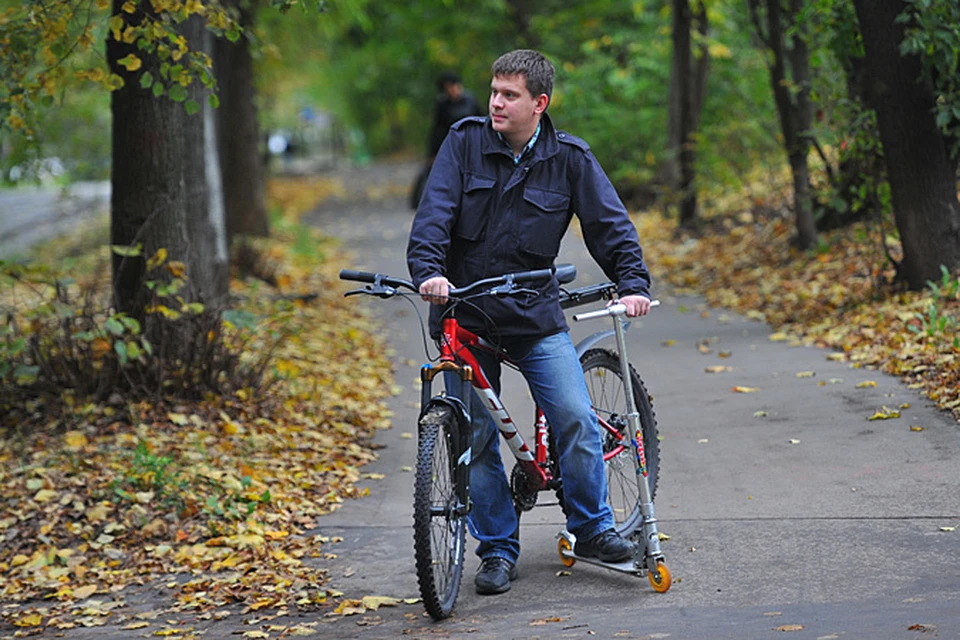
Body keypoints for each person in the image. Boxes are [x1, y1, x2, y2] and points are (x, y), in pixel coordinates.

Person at [406, 49, 653, 596]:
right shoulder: (464, 142)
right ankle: (496, 549)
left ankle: (591, 528)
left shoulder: (569, 158)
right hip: (465, 314)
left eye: (509, 94)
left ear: (539, 104)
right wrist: (429, 273)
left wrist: (633, 283)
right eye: (494, 91)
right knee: (474, 436)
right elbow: (434, 215)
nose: (495, 102)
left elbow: (609, 226)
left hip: (533, 314)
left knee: (573, 416)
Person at [410, 71, 485, 209]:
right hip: (453, 144)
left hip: (473, 143)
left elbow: (482, 121)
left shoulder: (470, 100)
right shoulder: (442, 104)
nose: (454, 90)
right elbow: (438, 129)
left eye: (455, 86)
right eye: (450, 87)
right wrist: (431, 153)